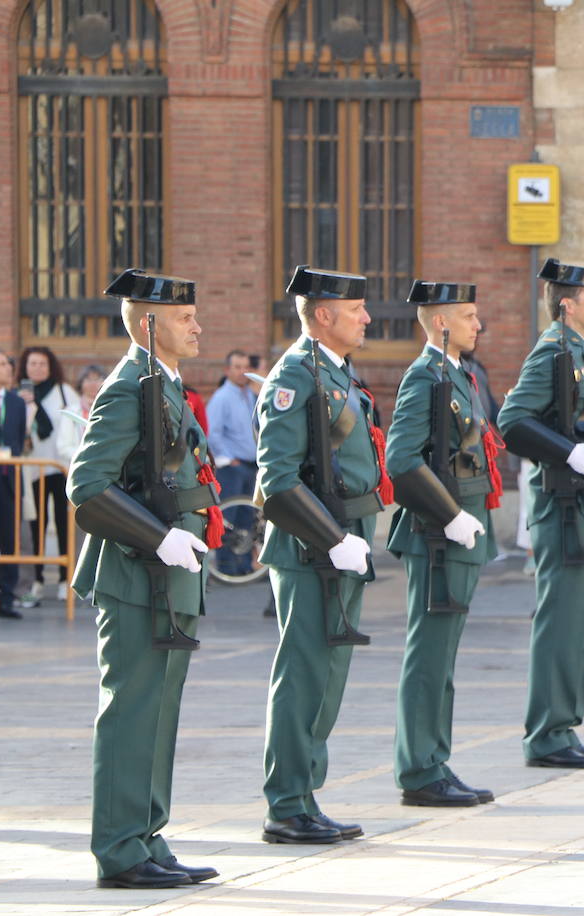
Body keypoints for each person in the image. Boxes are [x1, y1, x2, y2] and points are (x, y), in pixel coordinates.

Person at [68, 269, 219, 888]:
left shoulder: (165, 385)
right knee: (132, 711)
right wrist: (159, 536)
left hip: (169, 576)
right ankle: (120, 849)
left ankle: (148, 836)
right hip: (134, 576)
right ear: (149, 322)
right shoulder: (130, 386)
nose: (197, 326)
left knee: (160, 713)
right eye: (185, 318)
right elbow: (88, 485)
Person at [256, 265, 389, 844]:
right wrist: (334, 542)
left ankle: (305, 795)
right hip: (312, 547)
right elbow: (278, 479)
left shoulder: (334, 371)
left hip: (342, 539)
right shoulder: (296, 375)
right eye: (356, 308)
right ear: (324, 314)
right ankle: (286, 804)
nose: (366, 317)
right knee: (304, 674)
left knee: (327, 676)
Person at [499, 258, 584, 769]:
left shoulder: (580, 352)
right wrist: (566, 452)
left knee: (578, 624)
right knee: (559, 622)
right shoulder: (552, 352)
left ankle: (562, 727)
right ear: (568, 303)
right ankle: (546, 733)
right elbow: (513, 420)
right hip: (565, 506)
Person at [386, 280, 500, 808]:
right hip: (437, 535)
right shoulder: (424, 378)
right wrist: (451, 517)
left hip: (458, 531)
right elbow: (402, 460)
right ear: (441, 323)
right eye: (470, 316)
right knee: (429, 655)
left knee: (444, 656)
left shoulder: (458, 375)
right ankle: (418, 769)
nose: (479, 325)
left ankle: (435, 760)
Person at [18, 345, 79, 605]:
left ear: (51, 366)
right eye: (33, 364)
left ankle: (67, 579)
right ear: (25, 367)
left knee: (64, 524)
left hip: (61, 467)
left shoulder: (64, 392)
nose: (38, 368)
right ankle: (38, 580)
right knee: (36, 526)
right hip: (33, 468)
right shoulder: (20, 393)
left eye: (43, 364)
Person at [206, 350, 260, 576]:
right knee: (229, 519)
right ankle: (227, 566)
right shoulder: (222, 397)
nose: (241, 372)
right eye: (237, 367)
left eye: (245, 367)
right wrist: (230, 459)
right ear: (227, 370)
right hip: (232, 468)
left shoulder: (250, 395)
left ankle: (244, 565)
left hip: (251, 466)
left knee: (248, 520)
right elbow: (213, 433)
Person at [0, 349, 27, 618]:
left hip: (8, 477)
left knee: (9, 537)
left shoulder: (16, 402)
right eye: (2, 364)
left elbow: (19, 438)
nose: (8, 368)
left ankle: (7, 597)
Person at [56, 365, 106, 463]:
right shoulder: (71, 412)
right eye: (88, 379)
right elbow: (63, 447)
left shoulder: (110, 410)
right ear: (81, 383)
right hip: (78, 467)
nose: (93, 384)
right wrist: (86, 456)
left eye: (97, 379)